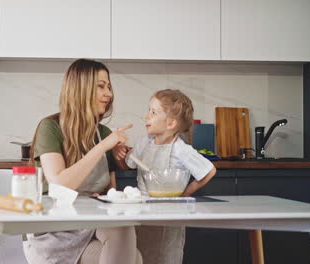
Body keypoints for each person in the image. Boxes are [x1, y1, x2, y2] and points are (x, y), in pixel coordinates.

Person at [25, 58, 142, 264]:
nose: (109, 94)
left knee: (123, 229)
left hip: (91, 222)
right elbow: (59, 184)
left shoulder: (103, 133)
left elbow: (110, 193)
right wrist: (103, 147)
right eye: (101, 86)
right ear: (80, 89)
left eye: (109, 87)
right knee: (135, 259)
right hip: (54, 231)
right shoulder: (50, 128)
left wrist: (108, 190)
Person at [114, 89, 217, 264]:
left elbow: (209, 170)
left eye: (153, 112)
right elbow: (128, 165)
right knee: (139, 257)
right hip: (141, 214)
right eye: (148, 110)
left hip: (169, 216)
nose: (147, 116)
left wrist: (186, 193)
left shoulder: (180, 149)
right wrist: (118, 153)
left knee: (164, 257)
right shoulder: (144, 141)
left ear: (170, 123)